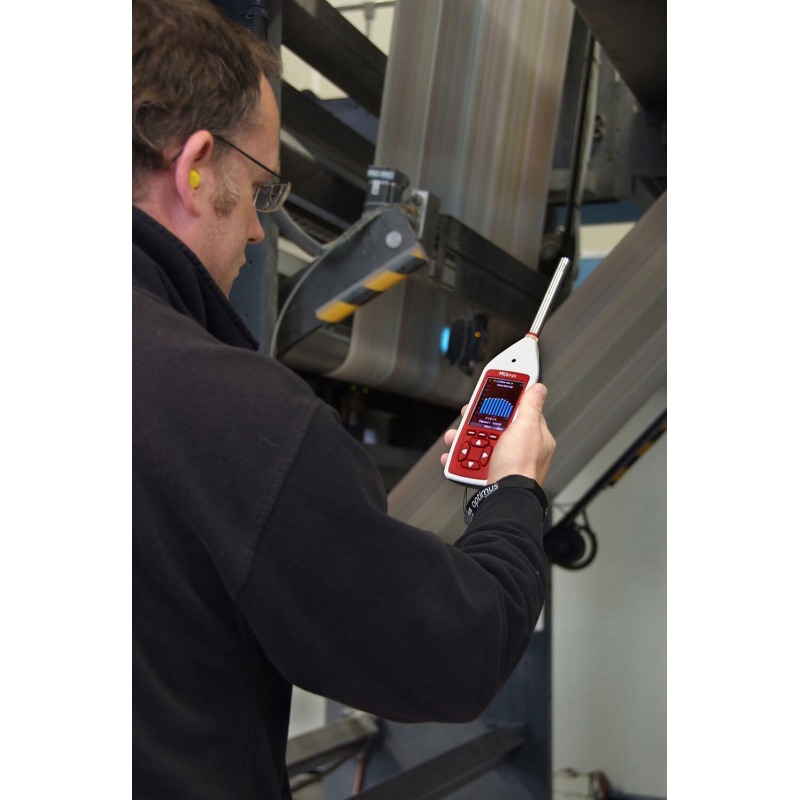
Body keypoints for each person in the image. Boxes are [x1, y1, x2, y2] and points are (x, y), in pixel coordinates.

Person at [132, 0, 557, 797]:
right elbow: (452, 657)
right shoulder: (233, 414)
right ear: (195, 166)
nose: (258, 233)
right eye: (261, 191)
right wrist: (512, 489)